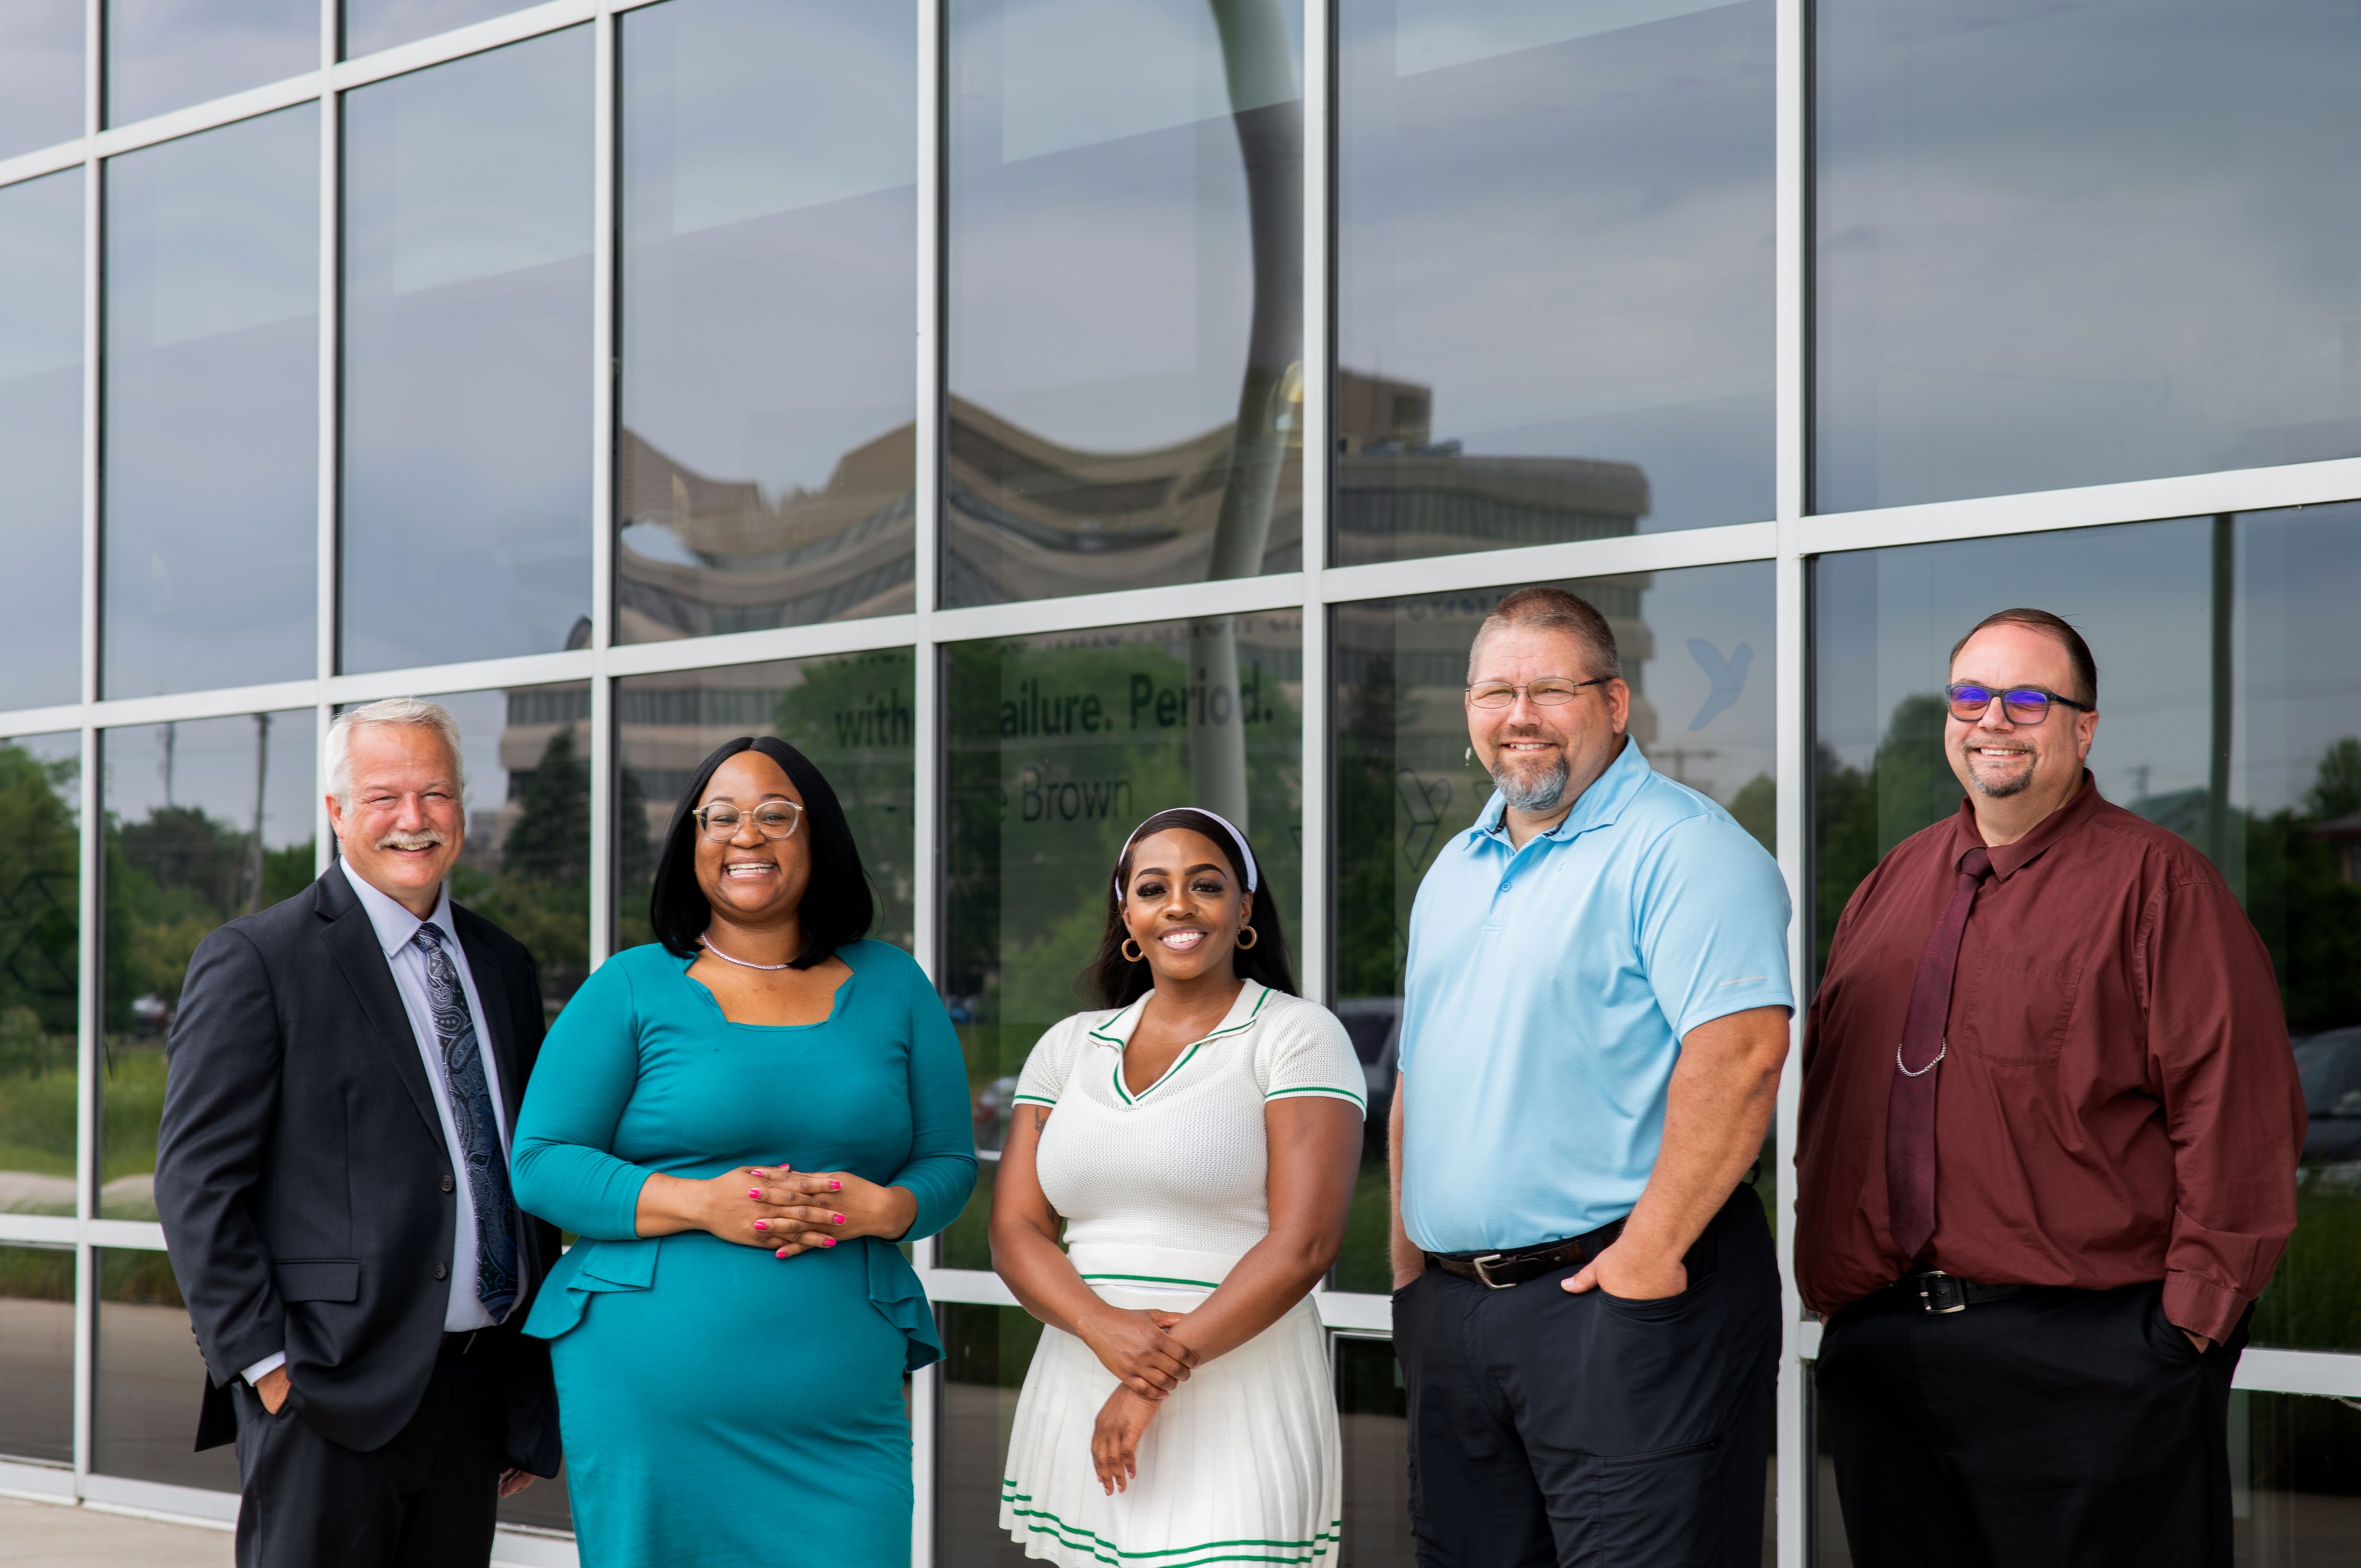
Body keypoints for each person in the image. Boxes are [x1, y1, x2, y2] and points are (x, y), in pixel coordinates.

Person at [1795, 608, 2306, 1568]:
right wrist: (1838, 1303)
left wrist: (2180, 1337)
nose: (1994, 720)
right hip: (1892, 1355)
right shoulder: (1888, 887)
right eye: (1971, 697)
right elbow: (1836, 1107)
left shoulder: (2162, 888)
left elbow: (2239, 1117)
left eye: (2028, 698)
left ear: (2084, 725)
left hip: (2094, 1364)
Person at [1388, 586, 1794, 1567]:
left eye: (1549, 690)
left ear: (1615, 704)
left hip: (1620, 1298)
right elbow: (1419, 1077)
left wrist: (1645, 1263)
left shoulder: (1686, 850)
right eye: (1495, 693)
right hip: (1459, 1316)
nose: (1518, 716)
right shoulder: (1454, 867)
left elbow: (1741, 1058)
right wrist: (1413, 1276)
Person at [509, 735, 974, 1568]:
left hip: (838, 1406)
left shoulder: (894, 985)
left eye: (775, 815)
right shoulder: (630, 986)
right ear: (691, 843)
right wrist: (702, 1203)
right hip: (649, 1391)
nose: (746, 836)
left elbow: (948, 1164)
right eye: (719, 817)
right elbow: (541, 1161)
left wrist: (890, 1206)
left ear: (817, 837)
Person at [154, 698, 561, 1568]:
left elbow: (514, 1168)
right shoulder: (258, 959)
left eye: (436, 794)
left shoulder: (504, 965)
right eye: (383, 797)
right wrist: (266, 1368)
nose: (413, 820)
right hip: (326, 1393)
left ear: (462, 806)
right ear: (338, 812)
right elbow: (197, 1187)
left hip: (475, 1397)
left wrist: (526, 1388)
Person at [991, 807, 1363, 1565]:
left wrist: (1149, 1377)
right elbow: (1015, 1232)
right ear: (1127, 914)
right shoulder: (1068, 1048)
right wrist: (1103, 1329)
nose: (1180, 906)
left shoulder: (1296, 1036)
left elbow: (1307, 1244)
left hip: (1237, 1390)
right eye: (1154, 889)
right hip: (1078, 1380)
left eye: (1206, 885)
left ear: (1245, 909)